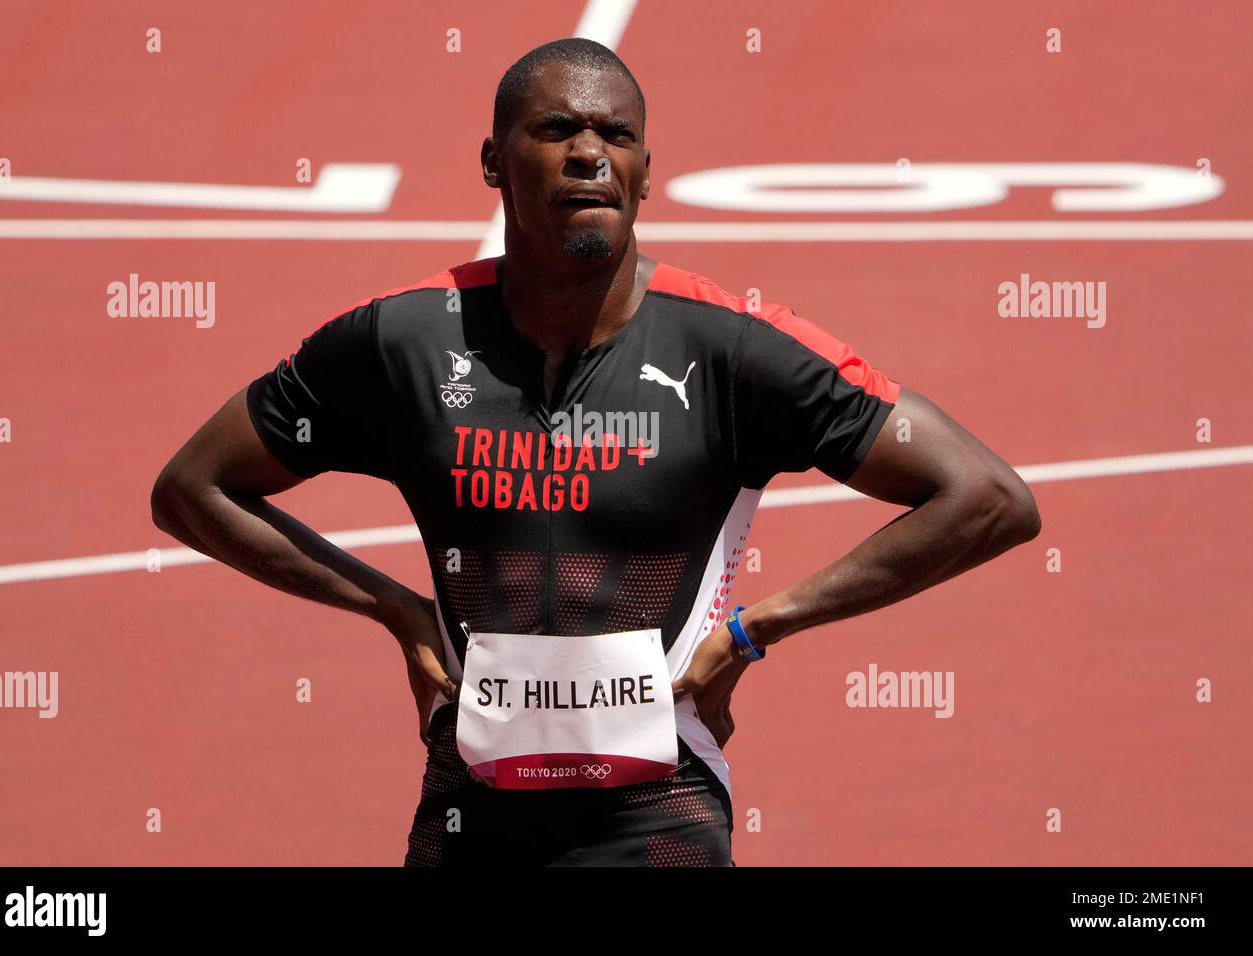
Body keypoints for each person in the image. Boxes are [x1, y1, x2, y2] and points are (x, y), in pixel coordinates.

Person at [151, 38, 1040, 867]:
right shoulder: (402, 344)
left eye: (617, 135)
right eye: (556, 130)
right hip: (468, 810)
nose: (589, 153)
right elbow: (193, 489)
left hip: (661, 818)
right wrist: (396, 610)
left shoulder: (732, 351)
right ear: (494, 163)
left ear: (645, 174)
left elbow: (988, 497)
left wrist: (757, 629)